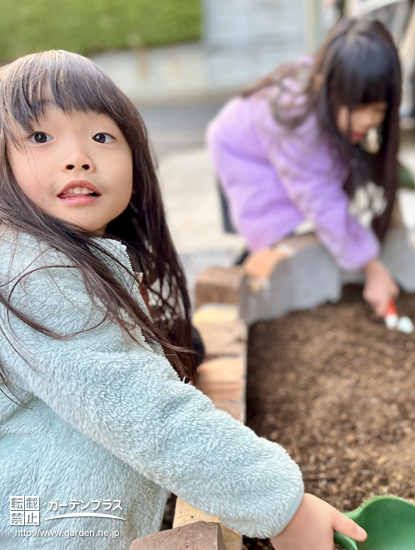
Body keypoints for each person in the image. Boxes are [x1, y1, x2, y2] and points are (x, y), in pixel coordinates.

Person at [0, 51, 366, 550]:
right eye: (40, 137)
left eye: (101, 136)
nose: (78, 157)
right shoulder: (33, 272)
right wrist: (283, 505)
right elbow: (141, 408)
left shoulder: (58, 257)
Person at [208, 17, 402, 317]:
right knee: (278, 226)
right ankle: (246, 287)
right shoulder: (293, 120)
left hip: (274, 143)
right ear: (325, 87)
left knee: (314, 207)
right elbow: (320, 199)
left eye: (379, 109)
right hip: (243, 154)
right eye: (359, 107)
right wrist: (371, 267)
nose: (368, 120)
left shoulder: (328, 84)